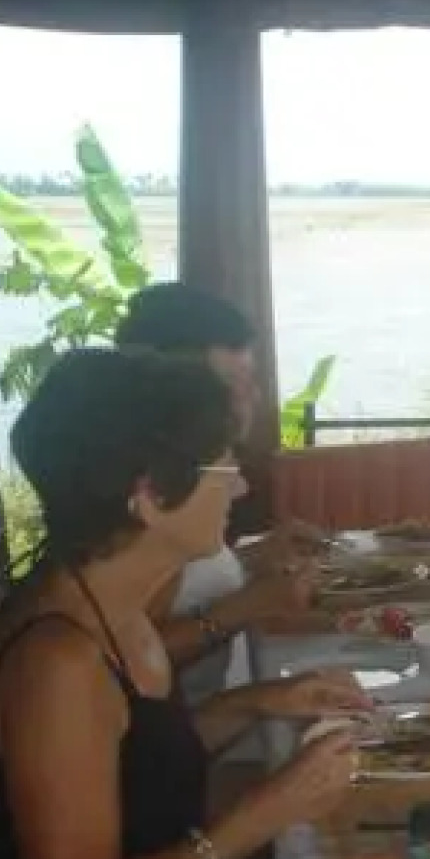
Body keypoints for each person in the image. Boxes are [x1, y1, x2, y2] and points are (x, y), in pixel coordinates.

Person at [0, 349, 367, 859]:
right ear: (148, 494)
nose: (241, 484)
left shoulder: (113, 604)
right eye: (222, 463)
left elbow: (133, 766)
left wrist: (260, 702)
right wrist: (270, 808)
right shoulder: (58, 663)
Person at [115, 282, 322, 704]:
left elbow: (182, 591)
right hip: (195, 735)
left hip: (210, 716)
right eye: (234, 380)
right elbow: (122, 660)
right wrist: (245, 607)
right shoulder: (150, 497)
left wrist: (252, 558)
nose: (253, 396)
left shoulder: (167, 485)